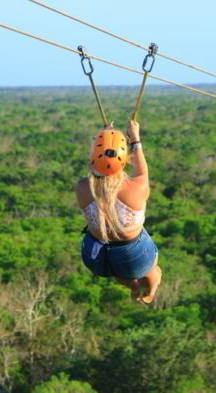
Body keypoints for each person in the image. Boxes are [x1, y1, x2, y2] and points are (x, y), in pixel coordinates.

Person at [75, 118, 162, 303]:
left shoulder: (82, 186)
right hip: (133, 255)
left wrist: (103, 140)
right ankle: (149, 292)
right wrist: (135, 140)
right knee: (153, 270)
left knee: (119, 269)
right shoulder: (137, 187)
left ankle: (133, 287)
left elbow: (97, 167)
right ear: (124, 160)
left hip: (96, 256)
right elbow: (142, 172)